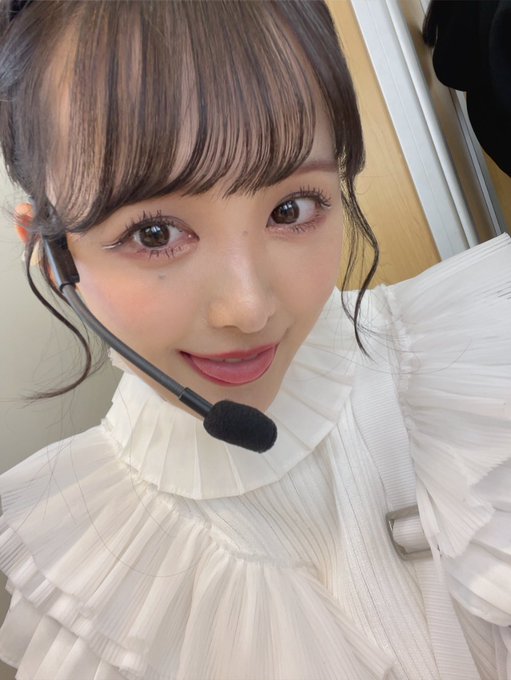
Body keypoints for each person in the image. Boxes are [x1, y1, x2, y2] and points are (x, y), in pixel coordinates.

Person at [0, 1, 509, 679]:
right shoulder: (89, 583)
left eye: (291, 208)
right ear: (51, 255)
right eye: (154, 233)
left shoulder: (482, 358)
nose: (248, 308)